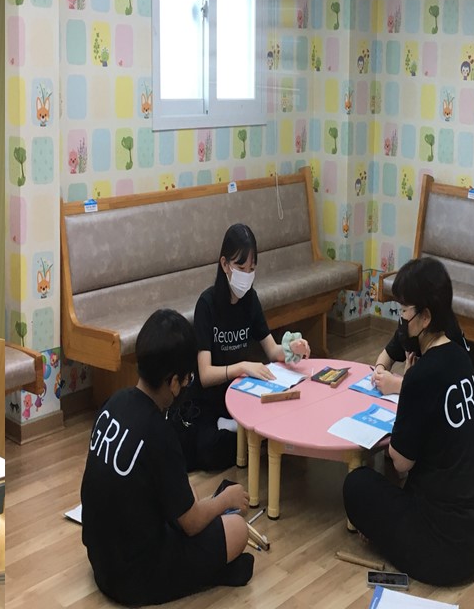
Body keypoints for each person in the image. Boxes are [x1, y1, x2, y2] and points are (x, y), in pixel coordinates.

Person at [343, 257, 474, 586]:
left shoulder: (421, 376)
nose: (401, 320)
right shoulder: (464, 358)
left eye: (404, 312)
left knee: (357, 485)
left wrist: (409, 392)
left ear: (426, 316)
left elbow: (400, 462)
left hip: (443, 551)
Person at [82, 309, 255, 606]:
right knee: (237, 530)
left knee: (191, 497)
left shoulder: (115, 402)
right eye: (187, 379)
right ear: (174, 382)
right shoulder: (160, 433)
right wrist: (225, 500)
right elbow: (191, 523)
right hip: (134, 577)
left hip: (101, 560)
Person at [184, 223, 310, 470]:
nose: (247, 275)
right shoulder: (207, 304)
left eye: (251, 269)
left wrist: (292, 348)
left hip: (243, 393)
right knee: (208, 452)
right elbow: (205, 375)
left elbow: (272, 350)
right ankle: (241, 432)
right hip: (211, 398)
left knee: (287, 422)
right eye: (241, 268)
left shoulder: (250, 300)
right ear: (224, 264)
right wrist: (242, 366)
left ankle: (241, 431)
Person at [371, 309, 470, 396]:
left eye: (404, 310)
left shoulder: (446, 341)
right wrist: (379, 371)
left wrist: (398, 384)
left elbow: (435, 391)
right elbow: (387, 354)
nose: (401, 317)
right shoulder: (411, 330)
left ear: (425, 317)